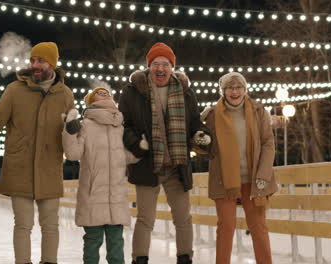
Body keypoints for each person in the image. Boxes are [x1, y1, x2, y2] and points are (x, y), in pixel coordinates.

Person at [0, 42, 75, 264]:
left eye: (41, 61)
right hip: (20, 167)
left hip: (49, 167)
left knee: (50, 225)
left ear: (53, 65)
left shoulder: (65, 94)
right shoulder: (15, 90)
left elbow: (70, 131)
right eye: (33, 60)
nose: (35, 65)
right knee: (23, 223)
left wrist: (76, 137)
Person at [118, 42, 211, 264]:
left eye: (165, 64)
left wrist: (201, 134)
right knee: (145, 218)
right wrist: (136, 144)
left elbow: (195, 121)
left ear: (172, 66)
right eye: (156, 64)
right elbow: (123, 125)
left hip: (177, 165)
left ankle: (184, 258)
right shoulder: (132, 92)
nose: (161, 69)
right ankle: (140, 259)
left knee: (183, 217)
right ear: (149, 67)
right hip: (147, 164)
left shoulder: (186, 92)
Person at [200, 72, 277, 264]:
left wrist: (264, 173)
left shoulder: (258, 111)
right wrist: (199, 138)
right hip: (225, 180)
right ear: (223, 91)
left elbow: (268, 143)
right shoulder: (212, 115)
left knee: (259, 227)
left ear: (245, 89)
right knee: (226, 227)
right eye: (230, 88)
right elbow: (204, 148)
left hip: (254, 181)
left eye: (238, 87)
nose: (234, 92)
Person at [62, 87, 139, 264]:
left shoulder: (119, 127)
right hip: (93, 194)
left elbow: (126, 156)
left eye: (107, 92)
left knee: (116, 243)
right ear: (90, 101)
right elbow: (73, 154)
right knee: (92, 241)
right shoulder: (86, 126)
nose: (104, 93)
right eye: (99, 92)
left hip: (116, 196)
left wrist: (140, 149)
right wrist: (69, 131)